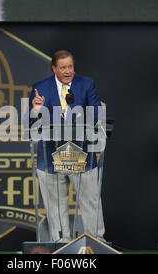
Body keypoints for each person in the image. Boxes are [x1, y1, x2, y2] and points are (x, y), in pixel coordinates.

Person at [29, 50, 106, 242]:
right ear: (54, 68)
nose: (67, 71)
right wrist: (36, 110)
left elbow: (97, 113)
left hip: (81, 154)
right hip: (50, 155)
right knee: (55, 205)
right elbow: (32, 125)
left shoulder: (86, 84)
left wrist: (75, 121)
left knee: (90, 202)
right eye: (63, 67)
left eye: (70, 66)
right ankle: (61, 242)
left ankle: (96, 242)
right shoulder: (40, 88)